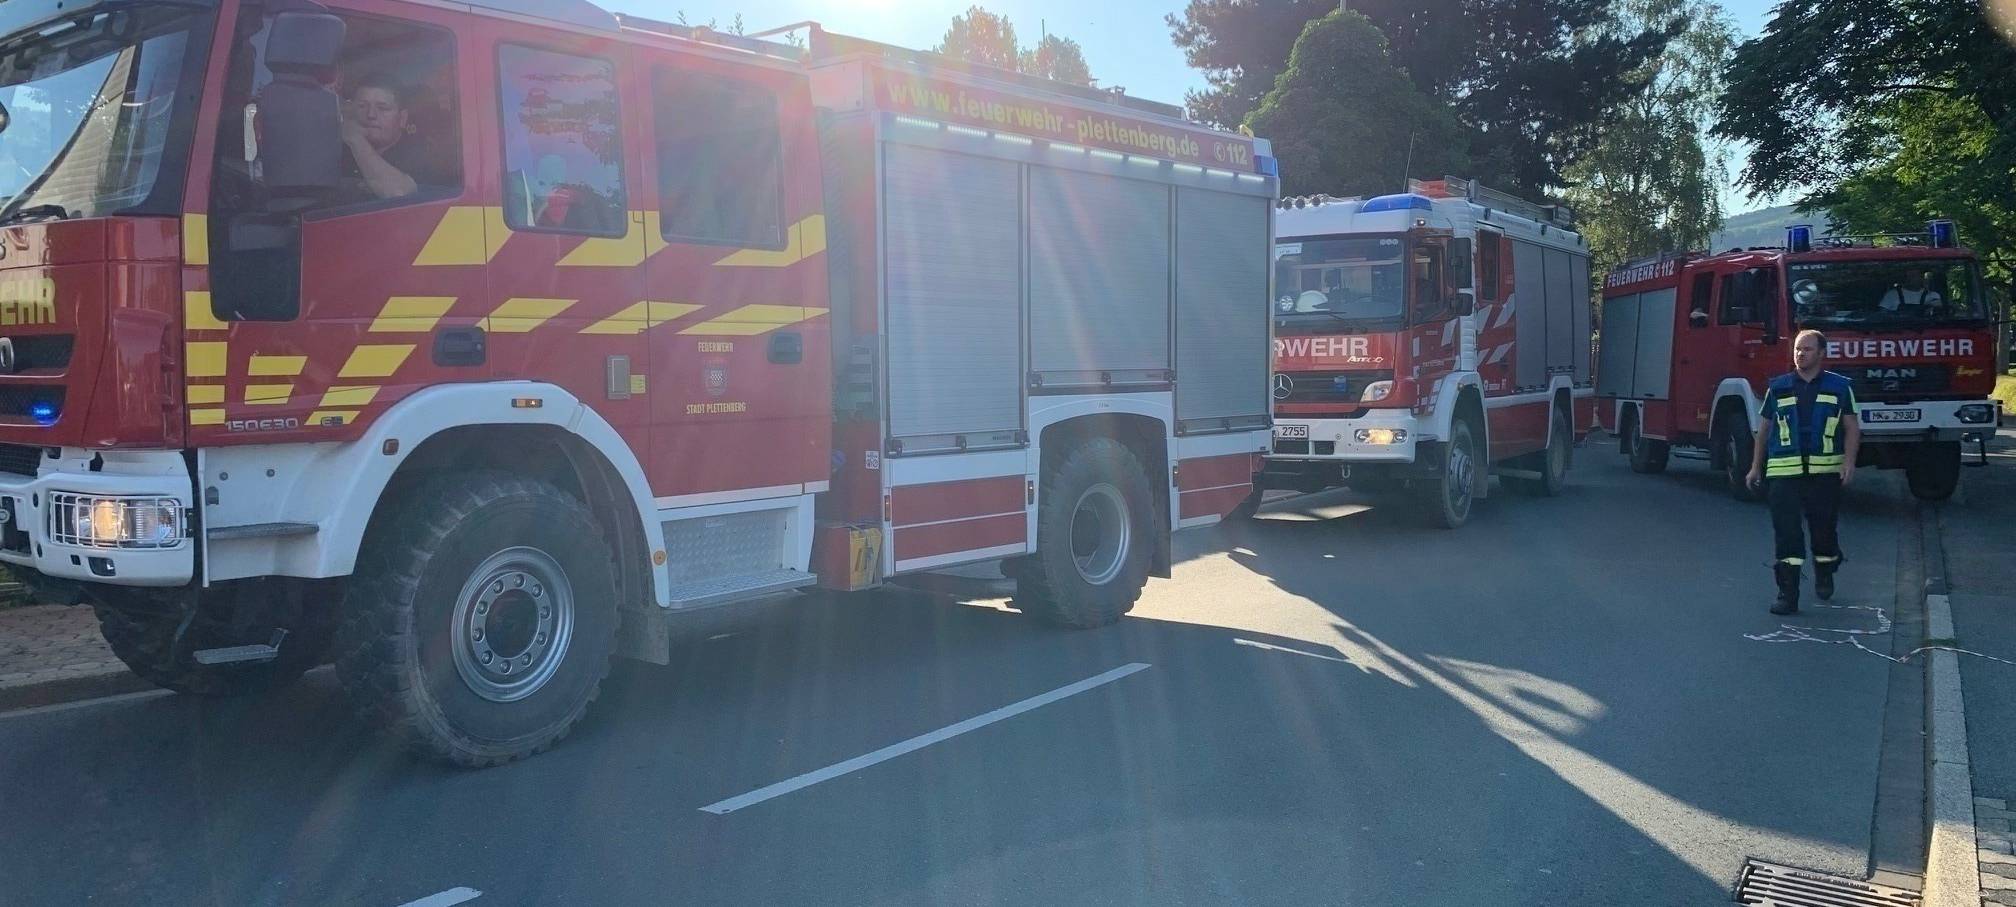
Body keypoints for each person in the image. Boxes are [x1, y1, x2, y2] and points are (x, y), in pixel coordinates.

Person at [1746, 329, 1861, 614]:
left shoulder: (1839, 387)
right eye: (1797, 349)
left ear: (1822, 353)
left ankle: (1826, 569)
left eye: (1807, 349)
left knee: (1823, 532)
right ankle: (1788, 593)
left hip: (1824, 474)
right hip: (1784, 474)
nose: (1800, 354)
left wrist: (1849, 462)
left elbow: (1851, 427)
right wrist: (1754, 467)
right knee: (1787, 533)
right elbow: (1764, 431)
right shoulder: (1779, 386)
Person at [339, 74, 443, 202]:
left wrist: (357, 141)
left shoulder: (423, 156)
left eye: (383, 108)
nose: (371, 114)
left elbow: (400, 196)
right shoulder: (338, 153)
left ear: (402, 118)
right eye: (362, 106)